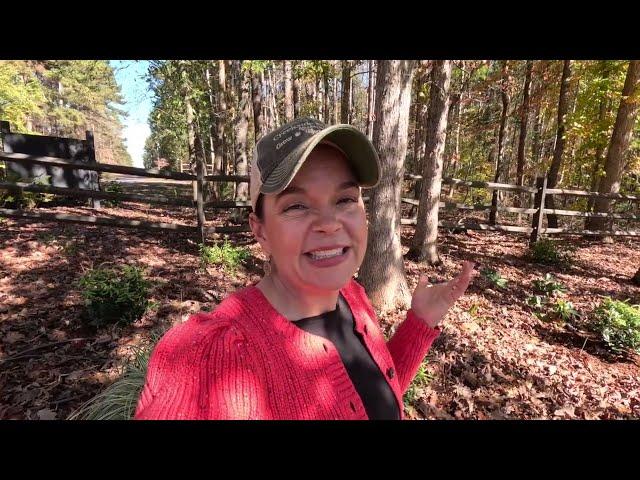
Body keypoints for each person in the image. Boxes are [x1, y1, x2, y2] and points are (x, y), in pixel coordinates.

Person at [134, 117, 474, 420]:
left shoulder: (352, 298)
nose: (329, 224)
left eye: (344, 200)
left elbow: (372, 398)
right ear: (260, 230)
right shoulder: (216, 356)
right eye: (296, 206)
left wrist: (419, 324)